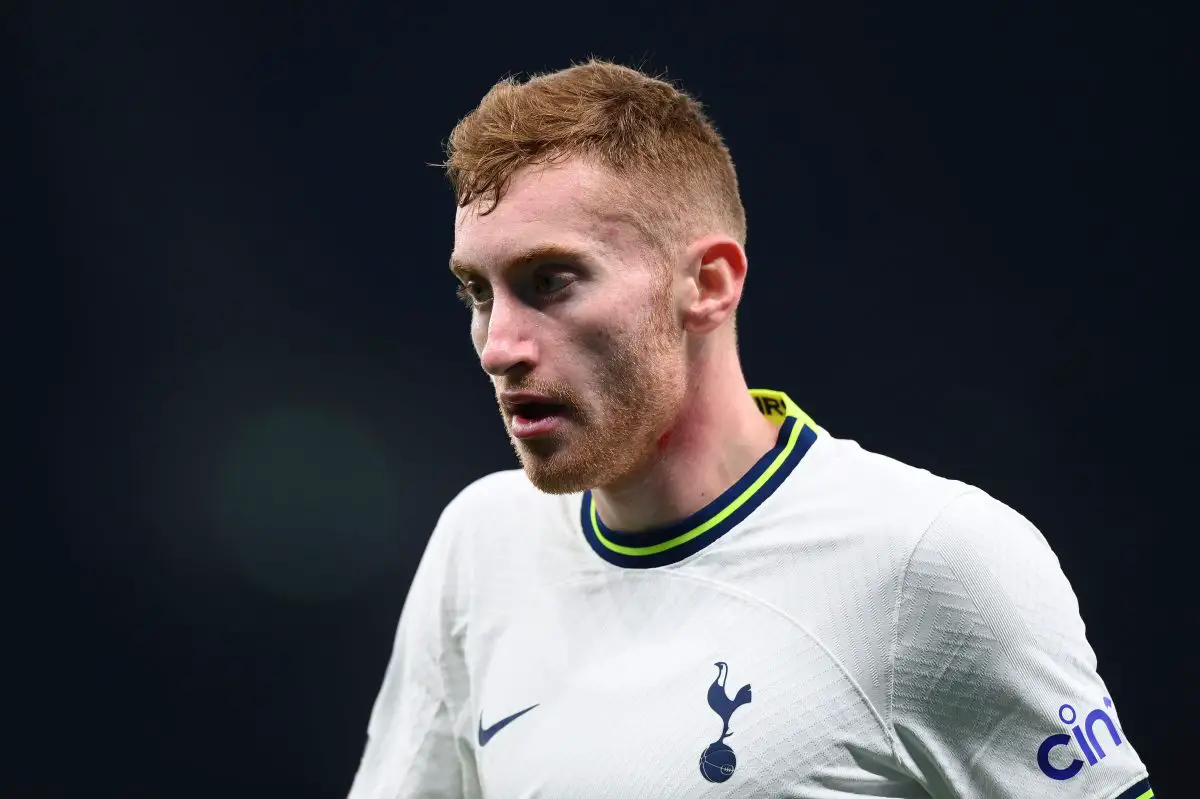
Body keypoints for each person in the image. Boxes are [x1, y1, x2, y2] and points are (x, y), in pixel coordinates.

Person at [347, 60, 1153, 798]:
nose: (498, 347)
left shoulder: (930, 560)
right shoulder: (479, 543)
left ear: (708, 284)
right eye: (476, 293)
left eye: (551, 280)